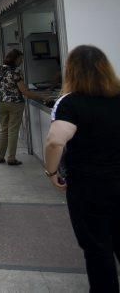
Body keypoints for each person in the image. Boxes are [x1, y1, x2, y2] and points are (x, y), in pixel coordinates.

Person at [44, 45, 120, 292]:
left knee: (98, 248)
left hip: (89, 185)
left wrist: (52, 172)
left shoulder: (71, 102)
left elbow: (56, 140)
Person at [0, 49, 49, 165]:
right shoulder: (16, 71)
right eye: (20, 58)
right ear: (16, 58)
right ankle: (11, 158)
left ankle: (0, 156)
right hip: (15, 103)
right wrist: (42, 98)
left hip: (1, 103)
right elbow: (25, 91)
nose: (22, 61)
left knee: (4, 130)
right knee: (13, 130)